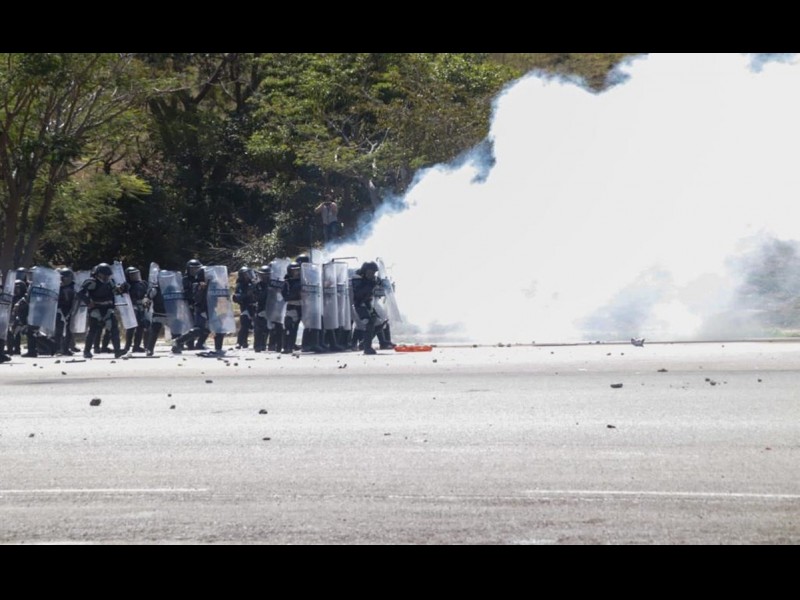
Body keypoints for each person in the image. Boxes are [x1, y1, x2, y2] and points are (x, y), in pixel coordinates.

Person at [77, 263, 127, 359]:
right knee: (93, 330)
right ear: (98, 274)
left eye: (108, 275)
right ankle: (86, 351)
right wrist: (88, 302)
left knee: (114, 329)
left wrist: (122, 289)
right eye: (104, 274)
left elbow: (115, 292)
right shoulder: (91, 282)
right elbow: (80, 293)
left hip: (108, 309)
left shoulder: (110, 282)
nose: (106, 277)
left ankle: (117, 351)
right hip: (96, 309)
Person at [351, 261, 381, 355]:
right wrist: (371, 284)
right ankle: (367, 347)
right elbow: (359, 294)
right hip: (358, 304)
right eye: (370, 272)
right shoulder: (357, 279)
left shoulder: (371, 279)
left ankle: (364, 342)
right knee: (368, 322)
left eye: (374, 272)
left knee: (379, 322)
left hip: (367, 304)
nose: (372, 274)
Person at [122, 266, 150, 354]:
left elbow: (147, 294)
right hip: (131, 307)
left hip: (142, 306)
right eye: (133, 274)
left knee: (141, 327)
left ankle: (136, 346)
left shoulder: (143, 283)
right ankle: (127, 346)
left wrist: (146, 301)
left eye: (136, 274)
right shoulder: (126, 285)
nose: (135, 276)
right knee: (131, 327)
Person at [53, 268, 77, 356]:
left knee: (69, 331)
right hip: (59, 310)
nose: (66, 279)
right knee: (59, 330)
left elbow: (76, 300)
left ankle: (66, 349)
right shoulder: (57, 287)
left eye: (68, 277)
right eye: (64, 277)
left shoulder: (73, 287)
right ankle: (58, 348)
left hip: (69, 310)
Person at [232, 267, 256, 350]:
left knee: (256, 325)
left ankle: (257, 343)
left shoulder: (253, 284)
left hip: (255, 306)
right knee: (245, 324)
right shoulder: (240, 285)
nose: (248, 276)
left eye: (249, 274)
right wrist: (247, 294)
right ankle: (240, 342)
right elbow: (237, 297)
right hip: (245, 306)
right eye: (246, 274)